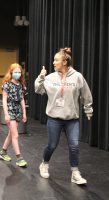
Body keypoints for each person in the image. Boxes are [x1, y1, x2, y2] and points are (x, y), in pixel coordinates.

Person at [34, 47, 93, 184]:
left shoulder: (77, 77)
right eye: (54, 60)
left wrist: (88, 109)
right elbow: (38, 89)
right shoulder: (50, 77)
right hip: (54, 118)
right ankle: (44, 164)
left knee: (74, 146)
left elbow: (86, 94)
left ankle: (75, 172)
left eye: (56, 60)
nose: (53, 62)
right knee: (52, 145)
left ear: (65, 62)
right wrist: (41, 76)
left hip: (72, 119)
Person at [0, 63, 28, 167]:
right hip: (10, 110)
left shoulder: (21, 85)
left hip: (17, 111)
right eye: (15, 72)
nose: (17, 74)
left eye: (19, 72)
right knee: (15, 135)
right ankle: (19, 158)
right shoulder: (7, 85)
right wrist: (6, 114)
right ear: (11, 72)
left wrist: (24, 113)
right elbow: (4, 100)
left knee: (11, 134)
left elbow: (22, 99)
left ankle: (2, 152)